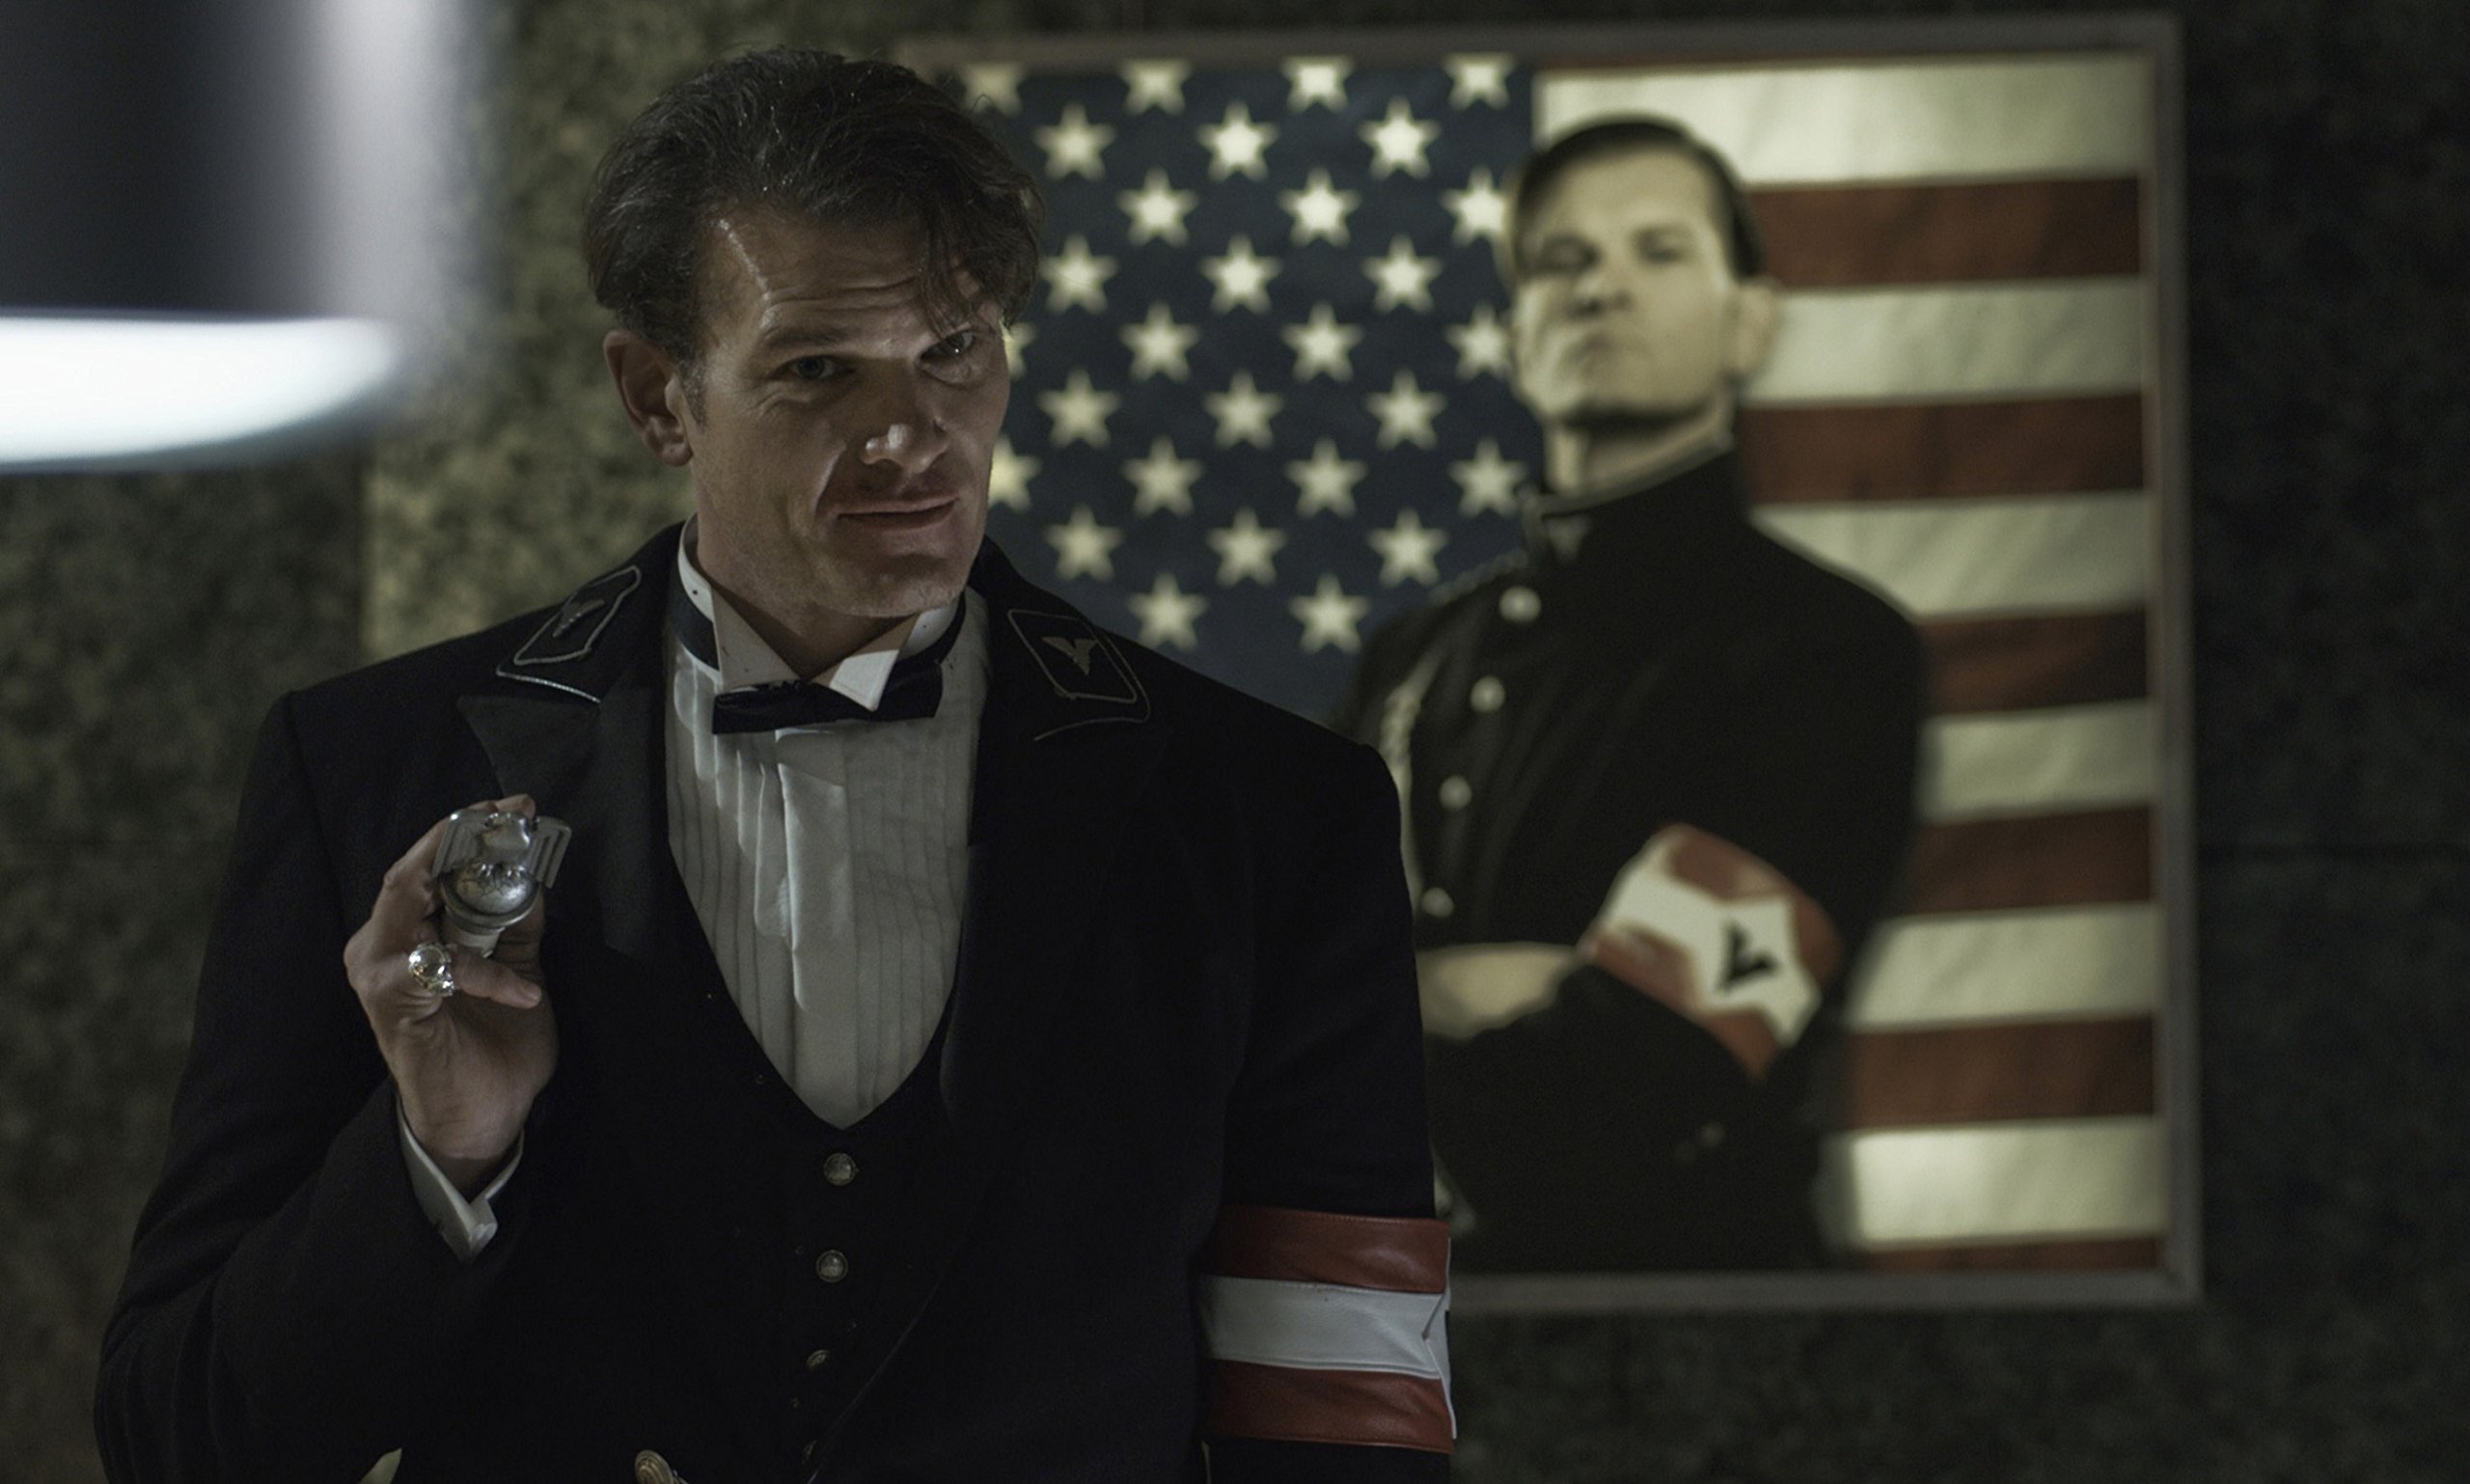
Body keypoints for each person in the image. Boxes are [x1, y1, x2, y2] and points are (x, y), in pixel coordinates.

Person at [97, 51, 1450, 1482]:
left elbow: (1340, 1399)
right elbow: (182, 1436)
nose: (911, 435)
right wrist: (438, 1151)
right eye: (817, 370)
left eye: (955, 350)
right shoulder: (369, 765)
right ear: (657, 397)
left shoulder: (1270, 811)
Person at [1334, 118, 1925, 1274]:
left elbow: (1625, 1082)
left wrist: (1376, 1011)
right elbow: (1248, 1002)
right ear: (1518, 338)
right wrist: (1464, 989)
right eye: (1562, 261)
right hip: (1399, 1325)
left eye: (1657, 250)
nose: (1601, 287)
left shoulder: (1823, 646)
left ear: (1749, 321)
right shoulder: (1411, 655)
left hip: (1704, 1303)